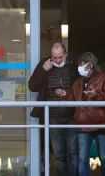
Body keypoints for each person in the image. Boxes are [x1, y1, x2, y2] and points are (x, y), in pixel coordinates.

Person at [28, 42, 78, 176]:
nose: (56, 60)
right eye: (54, 57)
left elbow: (79, 89)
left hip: (72, 116)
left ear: (65, 55)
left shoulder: (72, 66)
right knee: (58, 153)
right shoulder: (45, 64)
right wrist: (43, 70)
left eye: (60, 57)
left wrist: (67, 93)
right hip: (52, 117)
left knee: (73, 152)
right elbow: (32, 86)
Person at [67, 52, 105, 176]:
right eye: (79, 65)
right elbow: (71, 101)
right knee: (82, 159)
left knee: (104, 158)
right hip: (83, 125)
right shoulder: (78, 82)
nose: (79, 67)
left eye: (82, 64)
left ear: (90, 65)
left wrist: (96, 95)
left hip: (101, 124)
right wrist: (65, 95)